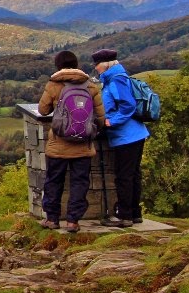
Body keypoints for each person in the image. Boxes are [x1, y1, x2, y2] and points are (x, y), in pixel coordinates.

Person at [37, 50, 105, 232]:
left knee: (54, 181)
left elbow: (43, 110)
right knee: (80, 182)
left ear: (58, 65)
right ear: (76, 64)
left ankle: (52, 219)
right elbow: (100, 116)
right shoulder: (90, 86)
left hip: (58, 145)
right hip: (83, 145)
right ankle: (73, 221)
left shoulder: (53, 85)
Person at [91, 48, 150, 228]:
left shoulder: (116, 80)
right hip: (135, 133)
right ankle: (134, 213)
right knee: (133, 175)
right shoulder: (117, 78)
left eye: (97, 64)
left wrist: (111, 122)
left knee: (124, 176)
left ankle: (124, 215)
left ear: (106, 64)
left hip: (127, 135)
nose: (95, 68)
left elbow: (127, 105)